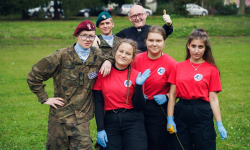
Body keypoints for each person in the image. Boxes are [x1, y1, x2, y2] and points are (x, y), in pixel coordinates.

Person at [27, 20, 113, 150]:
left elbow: (114, 56)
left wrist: (108, 61)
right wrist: (44, 97)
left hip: (82, 118)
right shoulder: (61, 55)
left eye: (91, 36)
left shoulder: (97, 55)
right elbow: (34, 75)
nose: (88, 39)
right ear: (76, 35)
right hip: (60, 118)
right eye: (84, 35)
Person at [167, 29, 228, 150]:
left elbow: (213, 99)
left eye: (200, 47)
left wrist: (219, 123)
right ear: (188, 45)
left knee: (205, 145)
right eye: (193, 46)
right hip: (181, 111)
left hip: (202, 112)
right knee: (180, 146)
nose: (196, 50)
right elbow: (172, 95)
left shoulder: (212, 70)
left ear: (205, 48)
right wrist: (170, 118)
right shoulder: (178, 67)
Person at [93, 39, 150, 150]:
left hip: (133, 120)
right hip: (111, 120)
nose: (123, 55)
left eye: (128, 54)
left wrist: (139, 86)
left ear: (132, 58)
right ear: (115, 52)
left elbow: (139, 106)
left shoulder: (137, 75)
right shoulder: (104, 72)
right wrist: (100, 129)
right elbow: (98, 101)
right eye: (121, 51)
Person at [132, 25, 177, 150]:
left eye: (158, 41)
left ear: (164, 42)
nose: (154, 44)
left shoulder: (172, 63)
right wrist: (137, 93)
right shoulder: (135, 60)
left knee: (155, 142)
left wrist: (166, 96)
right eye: (151, 40)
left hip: (158, 109)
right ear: (145, 41)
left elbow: (178, 89)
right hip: (136, 107)